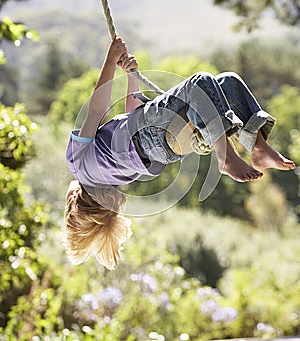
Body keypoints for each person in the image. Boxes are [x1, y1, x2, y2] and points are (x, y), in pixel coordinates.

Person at [64, 37, 296, 270]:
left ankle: (258, 147)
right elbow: (96, 111)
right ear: (75, 200)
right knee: (201, 84)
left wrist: (131, 76)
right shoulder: (78, 164)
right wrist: (111, 59)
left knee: (226, 84)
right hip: (148, 133)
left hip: (167, 150)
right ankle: (227, 155)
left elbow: (129, 117)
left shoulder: (111, 180)